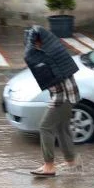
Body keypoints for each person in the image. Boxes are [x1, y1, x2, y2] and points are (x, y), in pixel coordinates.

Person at [23, 26, 80, 177]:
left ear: (39, 41)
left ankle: (49, 166)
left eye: (34, 43)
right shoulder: (54, 51)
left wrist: (55, 101)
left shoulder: (50, 54)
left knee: (45, 127)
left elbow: (58, 83)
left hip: (63, 96)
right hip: (70, 95)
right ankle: (72, 162)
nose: (34, 46)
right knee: (62, 128)